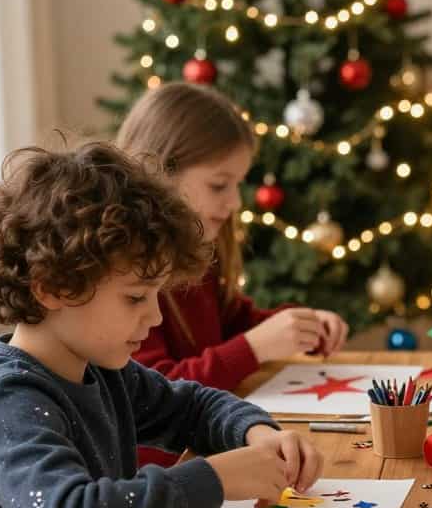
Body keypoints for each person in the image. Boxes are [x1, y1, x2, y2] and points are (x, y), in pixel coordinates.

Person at [0, 142, 323, 508]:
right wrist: (220, 478)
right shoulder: (6, 402)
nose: (155, 317)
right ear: (51, 289)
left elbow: (194, 406)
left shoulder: (99, 369)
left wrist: (258, 433)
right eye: (136, 297)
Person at [116, 83, 348, 466]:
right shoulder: (127, 272)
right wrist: (255, 347)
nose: (235, 202)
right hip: (162, 469)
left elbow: (228, 319)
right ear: (161, 171)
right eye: (219, 185)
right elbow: (160, 392)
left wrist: (296, 326)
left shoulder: (198, 245)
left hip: (210, 445)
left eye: (237, 184)